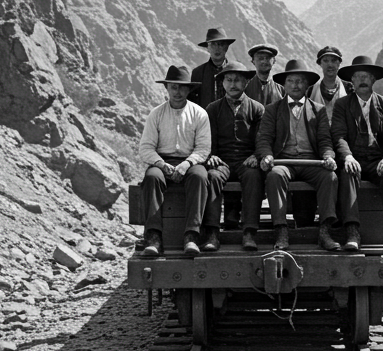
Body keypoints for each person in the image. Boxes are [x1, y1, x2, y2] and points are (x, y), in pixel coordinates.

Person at [255, 58, 341, 251]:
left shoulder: (318, 110)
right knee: (275, 175)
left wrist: (328, 156)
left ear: (307, 85)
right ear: (284, 85)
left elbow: (325, 140)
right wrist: (267, 156)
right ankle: (281, 230)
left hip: (312, 162)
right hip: (284, 161)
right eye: (291, 81)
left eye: (300, 81)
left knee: (330, 177)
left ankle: (325, 231)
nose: (295, 85)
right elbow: (264, 138)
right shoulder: (272, 110)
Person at [331, 55, 383, 252]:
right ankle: (352, 232)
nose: (362, 80)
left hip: (376, 160)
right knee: (346, 174)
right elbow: (339, 136)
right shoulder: (342, 105)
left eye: (366, 76)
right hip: (353, 159)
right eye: (358, 76)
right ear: (352, 81)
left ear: (373, 80)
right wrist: (347, 156)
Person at [138, 65, 211, 258]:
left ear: (189, 90)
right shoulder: (156, 114)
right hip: (162, 161)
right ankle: (153, 238)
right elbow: (146, 148)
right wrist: (161, 164)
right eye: (173, 87)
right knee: (152, 177)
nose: (177, 92)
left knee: (200, 176)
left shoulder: (199, 114)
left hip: (190, 162)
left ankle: (191, 236)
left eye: (182, 87)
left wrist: (187, 163)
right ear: (167, 89)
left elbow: (203, 148)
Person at [203, 61, 265, 252]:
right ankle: (212, 233)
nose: (233, 84)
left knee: (254, 176)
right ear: (222, 83)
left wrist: (256, 155)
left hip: (246, 161)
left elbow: (262, 139)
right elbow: (208, 138)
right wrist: (211, 156)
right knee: (212, 176)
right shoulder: (212, 109)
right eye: (228, 80)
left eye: (238, 80)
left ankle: (249, 232)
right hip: (222, 161)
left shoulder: (257, 108)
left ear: (246, 82)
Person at [306, 45, 354, 123]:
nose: (330, 65)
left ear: (339, 64)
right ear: (320, 63)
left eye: (334, 60)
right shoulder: (311, 90)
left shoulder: (349, 89)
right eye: (325, 60)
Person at [189, 27, 235, 107]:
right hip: (205, 118)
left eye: (221, 44)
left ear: (226, 47)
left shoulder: (235, 72)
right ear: (207, 48)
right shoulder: (198, 73)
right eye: (213, 44)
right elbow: (192, 103)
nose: (217, 48)